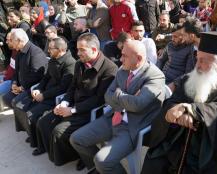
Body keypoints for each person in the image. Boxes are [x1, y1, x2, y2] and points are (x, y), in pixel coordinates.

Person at [141, 32, 217, 174]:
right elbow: (172, 101)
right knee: (153, 161)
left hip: (202, 151)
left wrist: (192, 109)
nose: (197, 65)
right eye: (197, 59)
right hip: (175, 142)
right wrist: (174, 111)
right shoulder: (189, 78)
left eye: (203, 61)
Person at [69, 40, 165, 173]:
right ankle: (100, 169)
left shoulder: (155, 76)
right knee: (76, 139)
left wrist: (119, 94)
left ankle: (104, 168)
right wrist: (125, 99)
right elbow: (108, 96)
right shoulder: (123, 69)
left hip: (132, 127)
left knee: (102, 160)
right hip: (114, 117)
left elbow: (137, 105)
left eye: (125, 55)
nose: (120, 58)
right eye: (121, 54)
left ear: (138, 59)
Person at [34, 33, 117, 167]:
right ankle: (70, 153)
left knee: (58, 131)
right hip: (73, 105)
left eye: (82, 50)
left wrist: (72, 110)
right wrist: (63, 103)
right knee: (44, 122)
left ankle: (80, 156)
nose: (78, 53)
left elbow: (99, 100)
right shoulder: (80, 64)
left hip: (90, 111)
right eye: (78, 49)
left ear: (94, 50)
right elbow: (72, 88)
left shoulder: (110, 69)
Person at [13, 37, 76, 148]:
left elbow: (63, 88)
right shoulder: (53, 59)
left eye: (51, 48)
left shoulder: (70, 64)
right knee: (20, 106)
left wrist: (44, 95)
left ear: (60, 49)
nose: (48, 51)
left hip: (55, 98)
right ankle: (34, 135)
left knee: (32, 114)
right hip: (45, 93)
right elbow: (46, 78)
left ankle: (40, 144)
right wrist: (39, 89)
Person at [3, 28, 48, 109]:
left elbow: (37, 76)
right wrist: (14, 83)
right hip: (21, 86)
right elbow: (16, 72)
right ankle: (20, 115)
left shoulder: (35, 52)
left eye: (12, 40)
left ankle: (24, 116)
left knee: (15, 102)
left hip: (32, 88)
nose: (11, 43)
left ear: (19, 40)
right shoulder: (19, 52)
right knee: (6, 98)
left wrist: (21, 88)